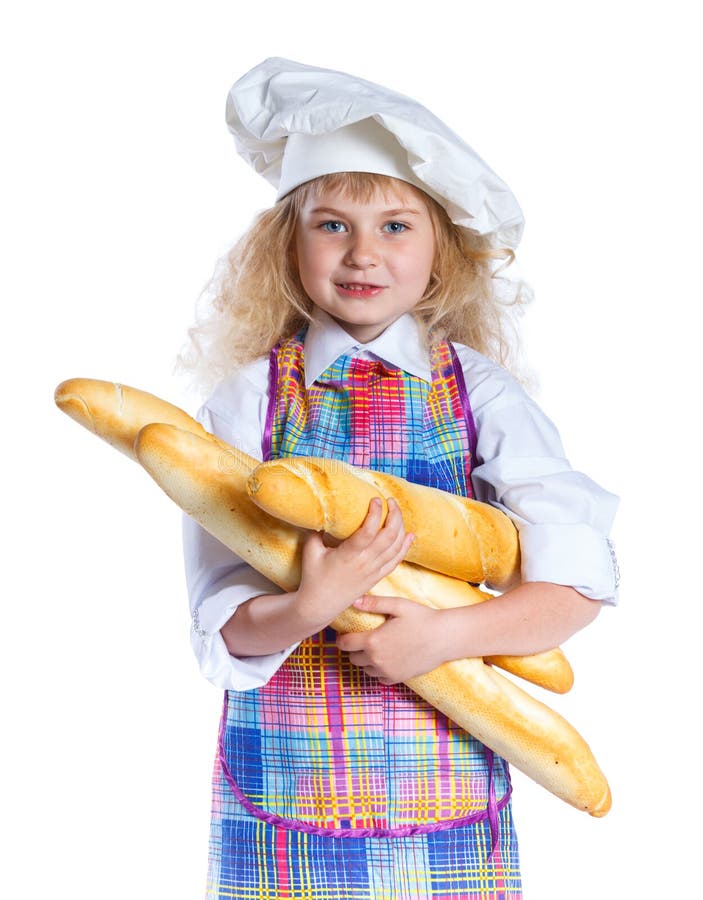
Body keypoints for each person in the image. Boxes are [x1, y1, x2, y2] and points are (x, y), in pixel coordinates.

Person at [182, 57, 619, 900]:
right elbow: (221, 633)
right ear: (287, 240)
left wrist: (444, 638)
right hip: (283, 796)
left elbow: (576, 583)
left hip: (444, 795)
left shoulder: (480, 396)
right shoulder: (247, 403)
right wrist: (311, 605)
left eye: (394, 226)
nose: (361, 254)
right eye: (331, 224)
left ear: (440, 253)